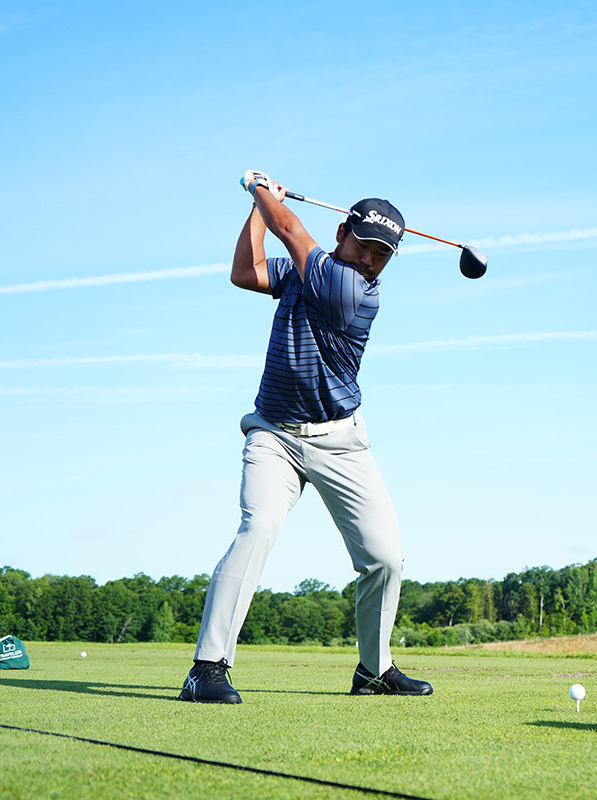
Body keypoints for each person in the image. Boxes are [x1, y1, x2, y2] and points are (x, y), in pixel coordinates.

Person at [178, 170, 432, 703]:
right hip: (274, 434)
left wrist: (260, 192)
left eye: (381, 256)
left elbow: (291, 229)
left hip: (340, 440)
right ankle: (207, 667)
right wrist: (258, 210)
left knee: (385, 557)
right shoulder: (309, 273)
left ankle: (374, 669)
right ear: (343, 232)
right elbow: (245, 273)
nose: (370, 261)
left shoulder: (352, 290)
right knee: (259, 527)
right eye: (365, 247)